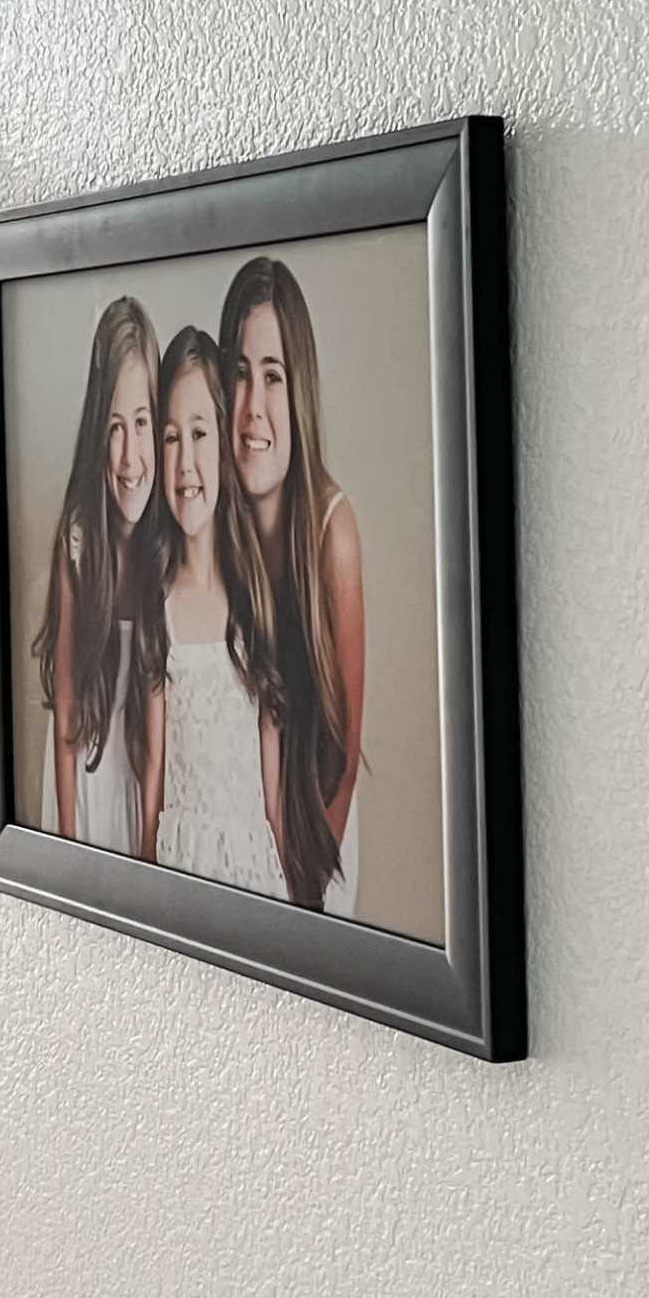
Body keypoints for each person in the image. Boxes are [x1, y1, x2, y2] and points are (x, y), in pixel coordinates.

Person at [217, 255, 366, 914]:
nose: (253, 408)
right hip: (238, 842)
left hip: (317, 847)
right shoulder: (208, 519)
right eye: (240, 375)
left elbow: (346, 742)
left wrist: (301, 904)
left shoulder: (333, 530)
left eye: (271, 377)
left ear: (297, 388)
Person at [143, 325, 282, 896]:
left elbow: (272, 797)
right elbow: (153, 777)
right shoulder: (159, 608)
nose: (184, 463)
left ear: (224, 445)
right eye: (171, 438)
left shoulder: (255, 600)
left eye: (199, 433)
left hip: (252, 872)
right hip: (182, 871)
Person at [31, 296, 162, 853]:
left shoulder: (173, 543)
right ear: (96, 434)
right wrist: (67, 838)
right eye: (115, 427)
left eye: (142, 423)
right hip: (83, 783)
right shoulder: (79, 541)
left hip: (146, 788)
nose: (130, 455)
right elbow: (66, 714)